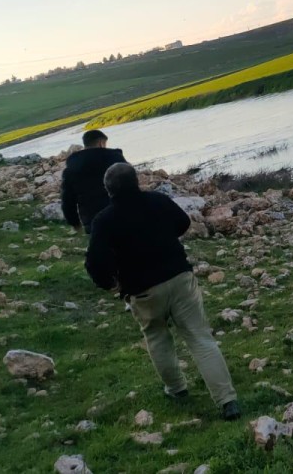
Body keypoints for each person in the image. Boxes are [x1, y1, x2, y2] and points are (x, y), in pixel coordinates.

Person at [85, 163, 240, 420]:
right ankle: (227, 400)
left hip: (143, 291)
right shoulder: (157, 200)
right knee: (200, 339)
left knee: (157, 338)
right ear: (136, 180)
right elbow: (183, 222)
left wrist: (111, 283)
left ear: (108, 190)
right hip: (179, 278)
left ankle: (177, 389)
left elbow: (94, 263)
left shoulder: (104, 220)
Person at [61, 129, 127, 233]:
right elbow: (130, 183)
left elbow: (67, 198)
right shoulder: (114, 159)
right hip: (120, 214)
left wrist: (74, 222)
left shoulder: (72, 167)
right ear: (101, 143)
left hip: (92, 220)